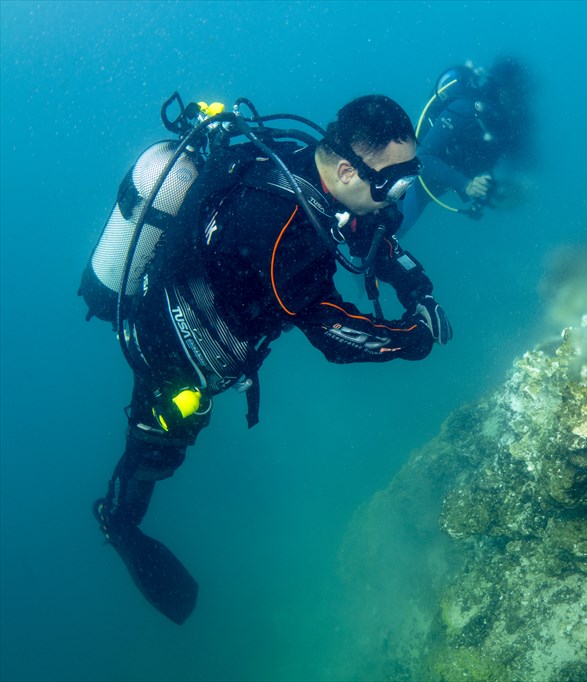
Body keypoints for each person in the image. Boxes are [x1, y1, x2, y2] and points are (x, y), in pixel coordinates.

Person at [87, 94, 452, 624]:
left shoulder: (306, 167)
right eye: (392, 181)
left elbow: (367, 229)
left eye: (408, 175)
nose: (400, 195)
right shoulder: (285, 233)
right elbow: (334, 332)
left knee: (167, 439)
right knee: (160, 444)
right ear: (348, 168)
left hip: (201, 297)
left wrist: (416, 287)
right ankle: (119, 522)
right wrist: (410, 338)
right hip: (174, 350)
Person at [397, 57, 535, 236]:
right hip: (410, 185)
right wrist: (466, 185)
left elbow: (478, 165)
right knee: (391, 231)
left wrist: (491, 192)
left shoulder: (498, 124)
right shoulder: (466, 109)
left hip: (432, 190)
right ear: (500, 88)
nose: (519, 99)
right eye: (514, 92)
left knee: (390, 237)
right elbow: (422, 157)